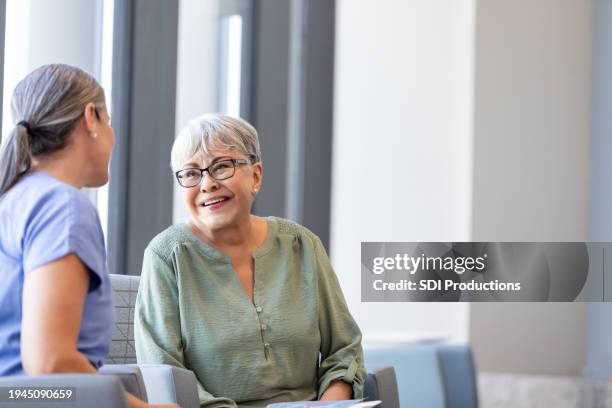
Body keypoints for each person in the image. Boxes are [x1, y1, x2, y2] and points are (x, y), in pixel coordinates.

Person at [135, 113, 366, 407]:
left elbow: (344, 349)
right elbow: (162, 374)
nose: (206, 184)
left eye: (221, 167)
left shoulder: (302, 245)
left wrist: (328, 405)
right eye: (191, 173)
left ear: (255, 175)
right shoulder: (166, 256)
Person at [0, 64, 176, 408]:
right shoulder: (62, 207)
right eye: (109, 121)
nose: (113, 136)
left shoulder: (14, 200)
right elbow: (49, 364)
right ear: (90, 117)